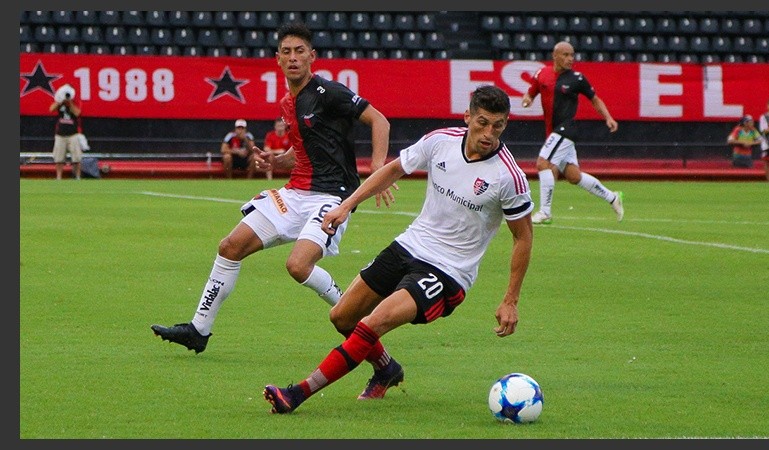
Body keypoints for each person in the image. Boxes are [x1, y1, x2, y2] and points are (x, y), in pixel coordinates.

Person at [262, 85, 534, 414]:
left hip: (448, 273)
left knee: (372, 323)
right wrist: (347, 205)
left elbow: (523, 237)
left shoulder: (509, 177)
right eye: (483, 122)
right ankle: (387, 369)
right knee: (343, 317)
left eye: (499, 125)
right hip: (409, 245)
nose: (490, 133)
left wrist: (510, 300)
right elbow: (394, 169)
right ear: (467, 117)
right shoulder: (440, 141)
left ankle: (297, 394)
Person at [151, 21, 393, 354]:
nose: (293, 58)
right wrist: (276, 161)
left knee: (298, 266)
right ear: (277, 59)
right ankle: (199, 329)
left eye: (299, 52)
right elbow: (303, 151)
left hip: (332, 195)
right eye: (286, 52)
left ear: (312, 57)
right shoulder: (287, 103)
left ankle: (348, 309)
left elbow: (379, 120)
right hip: (295, 194)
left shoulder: (329, 92)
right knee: (230, 246)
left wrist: (378, 166)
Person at [521, 41, 623, 224]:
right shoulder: (541, 74)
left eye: (572, 55)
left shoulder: (577, 78)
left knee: (542, 163)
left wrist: (608, 117)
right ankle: (612, 197)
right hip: (553, 132)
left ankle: (545, 212)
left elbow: (595, 99)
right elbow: (531, 93)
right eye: (566, 55)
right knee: (573, 176)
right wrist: (527, 100)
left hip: (566, 129)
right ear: (555, 55)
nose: (570, 59)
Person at [49, 83, 82, 180]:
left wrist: (70, 103)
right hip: (60, 133)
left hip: (73, 133)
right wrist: (60, 101)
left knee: (76, 158)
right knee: (59, 158)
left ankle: (78, 177)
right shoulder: (59, 102)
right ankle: (59, 177)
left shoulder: (76, 102)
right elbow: (51, 109)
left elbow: (77, 113)